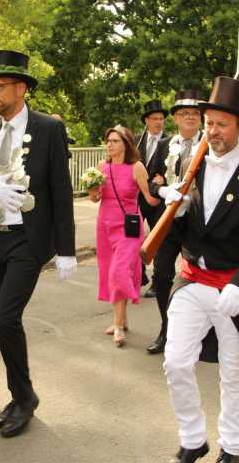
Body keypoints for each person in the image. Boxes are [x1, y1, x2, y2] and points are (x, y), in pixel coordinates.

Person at [159, 76, 239, 463]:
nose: (212, 131)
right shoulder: (190, 162)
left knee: (233, 373)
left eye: (221, 124)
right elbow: (182, 229)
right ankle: (193, 438)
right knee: (175, 362)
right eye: (208, 122)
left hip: (233, 288)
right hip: (193, 279)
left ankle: (231, 449)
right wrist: (177, 212)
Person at [0, 50, 76, 438]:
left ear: (21, 88)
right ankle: (19, 396)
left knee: (6, 318)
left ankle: (25, 399)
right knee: (6, 323)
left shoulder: (48, 128)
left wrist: (66, 248)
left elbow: (61, 189)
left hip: (29, 238)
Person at [145, 89, 204, 355]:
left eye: (195, 113)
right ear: (176, 118)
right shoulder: (164, 145)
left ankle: (198, 331)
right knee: (162, 275)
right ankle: (166, 330)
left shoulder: (210, 144)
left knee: (200, 276)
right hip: (168, 219)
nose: (190, 117)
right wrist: (163, 190)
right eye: (184, 113)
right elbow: (151, 180)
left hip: (198, 221)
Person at [90, 126, 160, 347]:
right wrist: (93, 191)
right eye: (108, 141)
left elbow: (150, 199)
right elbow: (95, 198)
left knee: (118, 273)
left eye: (114, 141)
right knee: (109, 272)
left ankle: (118, 326)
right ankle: (122, 319)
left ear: (126, 144)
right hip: (104, 226)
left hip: (128, 229)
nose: (109, 145)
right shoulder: (102, 166)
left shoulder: (136, 167)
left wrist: (162, 186)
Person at [136, 99, 168, 296]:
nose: (158, 122)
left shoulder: (171, 142)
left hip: (158, 199)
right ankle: (139, 275)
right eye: (154, 118)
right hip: (137, 198)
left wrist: (165, 178)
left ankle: (158, 282)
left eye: (161, 119)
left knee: (159, 241)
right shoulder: (136, 141)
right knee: (133, 237)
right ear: (146, 121)